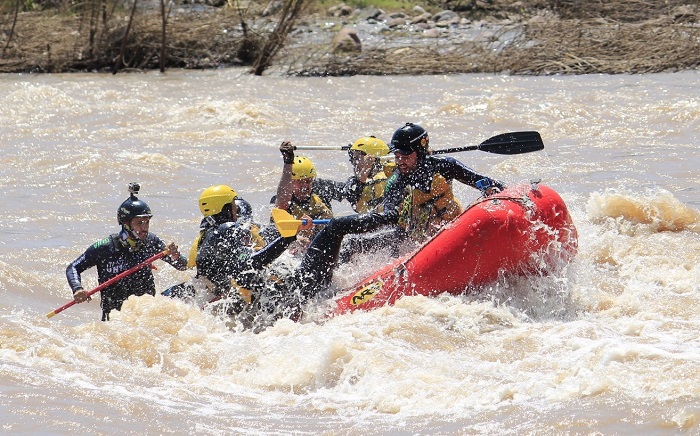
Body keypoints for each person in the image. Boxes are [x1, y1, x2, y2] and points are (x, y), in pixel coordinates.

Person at [192, 184, 314, 329]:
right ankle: (294, 323)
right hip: (234, 303)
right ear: (225, 208)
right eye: (232, 205)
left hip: (224, 303)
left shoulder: (209, 235)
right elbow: (254, 262)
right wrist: (288, 238)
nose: (236, 209)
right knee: (283, 275)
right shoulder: (227, 230)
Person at [65, 183, 188, 321]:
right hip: (116, 319)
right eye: (139, 223)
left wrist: (176, 256)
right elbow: (73, 267)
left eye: (146, 222)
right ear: (126, 224)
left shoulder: (151, 241)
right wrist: (77, 289)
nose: (144, 228)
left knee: (185, 292)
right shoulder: (105, 247)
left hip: (147, 314)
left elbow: (183, 266)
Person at [269, 142, 333, 251]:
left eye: (308, 181)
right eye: (299, 182)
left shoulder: (320, 201)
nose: (305, 186)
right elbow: (282, 203)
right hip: (287, 247)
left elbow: (330, 229)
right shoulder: (281, 201)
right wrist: (288, 162)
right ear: (291, 183)